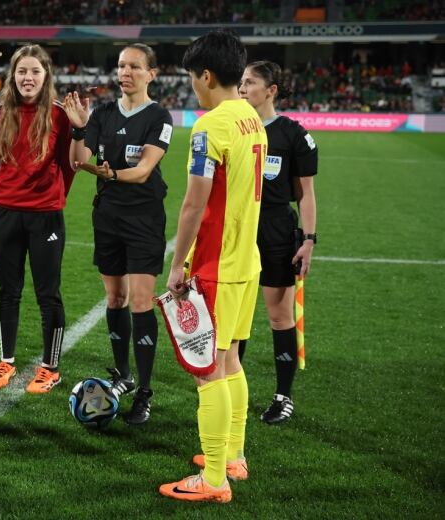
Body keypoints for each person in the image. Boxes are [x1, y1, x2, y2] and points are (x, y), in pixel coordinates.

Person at [158, 29, 266, 503]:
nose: (192, 88)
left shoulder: (210, 126)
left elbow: (193, 205)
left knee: (208, 371)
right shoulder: (252, 117)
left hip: (216, 264)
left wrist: (177, 264)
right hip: (247, 261)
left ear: (205, 75)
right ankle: (234, 456)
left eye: (192, 78)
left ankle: (215, 479)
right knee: (231, 362)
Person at [64, 43, 173, 424]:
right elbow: (79, 160)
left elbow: (143, 171)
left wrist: (109, 174)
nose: (125, 72)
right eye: (121, 66)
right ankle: (123, 373)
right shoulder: (104, 113)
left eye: (134, 67)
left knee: (142, 302)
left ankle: (144, 390)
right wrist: (79, 128)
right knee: (115, 298)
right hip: (107, 217)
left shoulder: (160, 116)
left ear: (151, 74)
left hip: (144, 219)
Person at [0, 44, 75, 394]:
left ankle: (50, 368)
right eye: (22, 71)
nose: (28, 77)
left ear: (45, 76)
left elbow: (69, 164)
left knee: (47, 294)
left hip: (45, 216)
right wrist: (9, 191)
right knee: (8, 291)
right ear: (13, 76)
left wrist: (52, 195)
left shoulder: (59, 116)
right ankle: (6, 361)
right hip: (5, 212)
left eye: (35, 71)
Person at [238, 61, 318, 424]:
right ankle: (230, 390)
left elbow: (306, 195)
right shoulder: (234, 128)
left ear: (271, 90)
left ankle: (283, 396)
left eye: (250, 82)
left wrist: (309, 239)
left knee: (278, 315)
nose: (242, 88)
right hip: (238, 227)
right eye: (240, 81)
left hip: (275, 228)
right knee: (233, 315)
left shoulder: (293, 134)